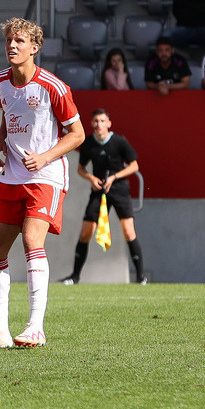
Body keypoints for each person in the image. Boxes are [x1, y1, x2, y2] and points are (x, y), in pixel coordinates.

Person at [0, 18, 84, 349]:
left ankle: (35, 327)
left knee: (31, 238)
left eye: (19, 41)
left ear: (34, 48)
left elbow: (77, 134)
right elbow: (8, 116)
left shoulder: (54, 86)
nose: (11, 46)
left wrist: (46, 156)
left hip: (46, 176)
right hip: (13, 176)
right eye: (9, 40)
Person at [61, 109, 145, 285]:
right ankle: (74, 277)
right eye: (96, 121)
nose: (99, 124)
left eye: (102, 121)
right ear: (91, 124)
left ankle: (140, 277)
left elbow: (134, 166)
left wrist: (114, 177)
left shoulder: (119, 141)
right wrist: (91, 178)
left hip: (120, 189)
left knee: (128, 231)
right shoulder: (89, 142)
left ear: (109, 123)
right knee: (86, 232)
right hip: (98, 191)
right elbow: (80, 169)